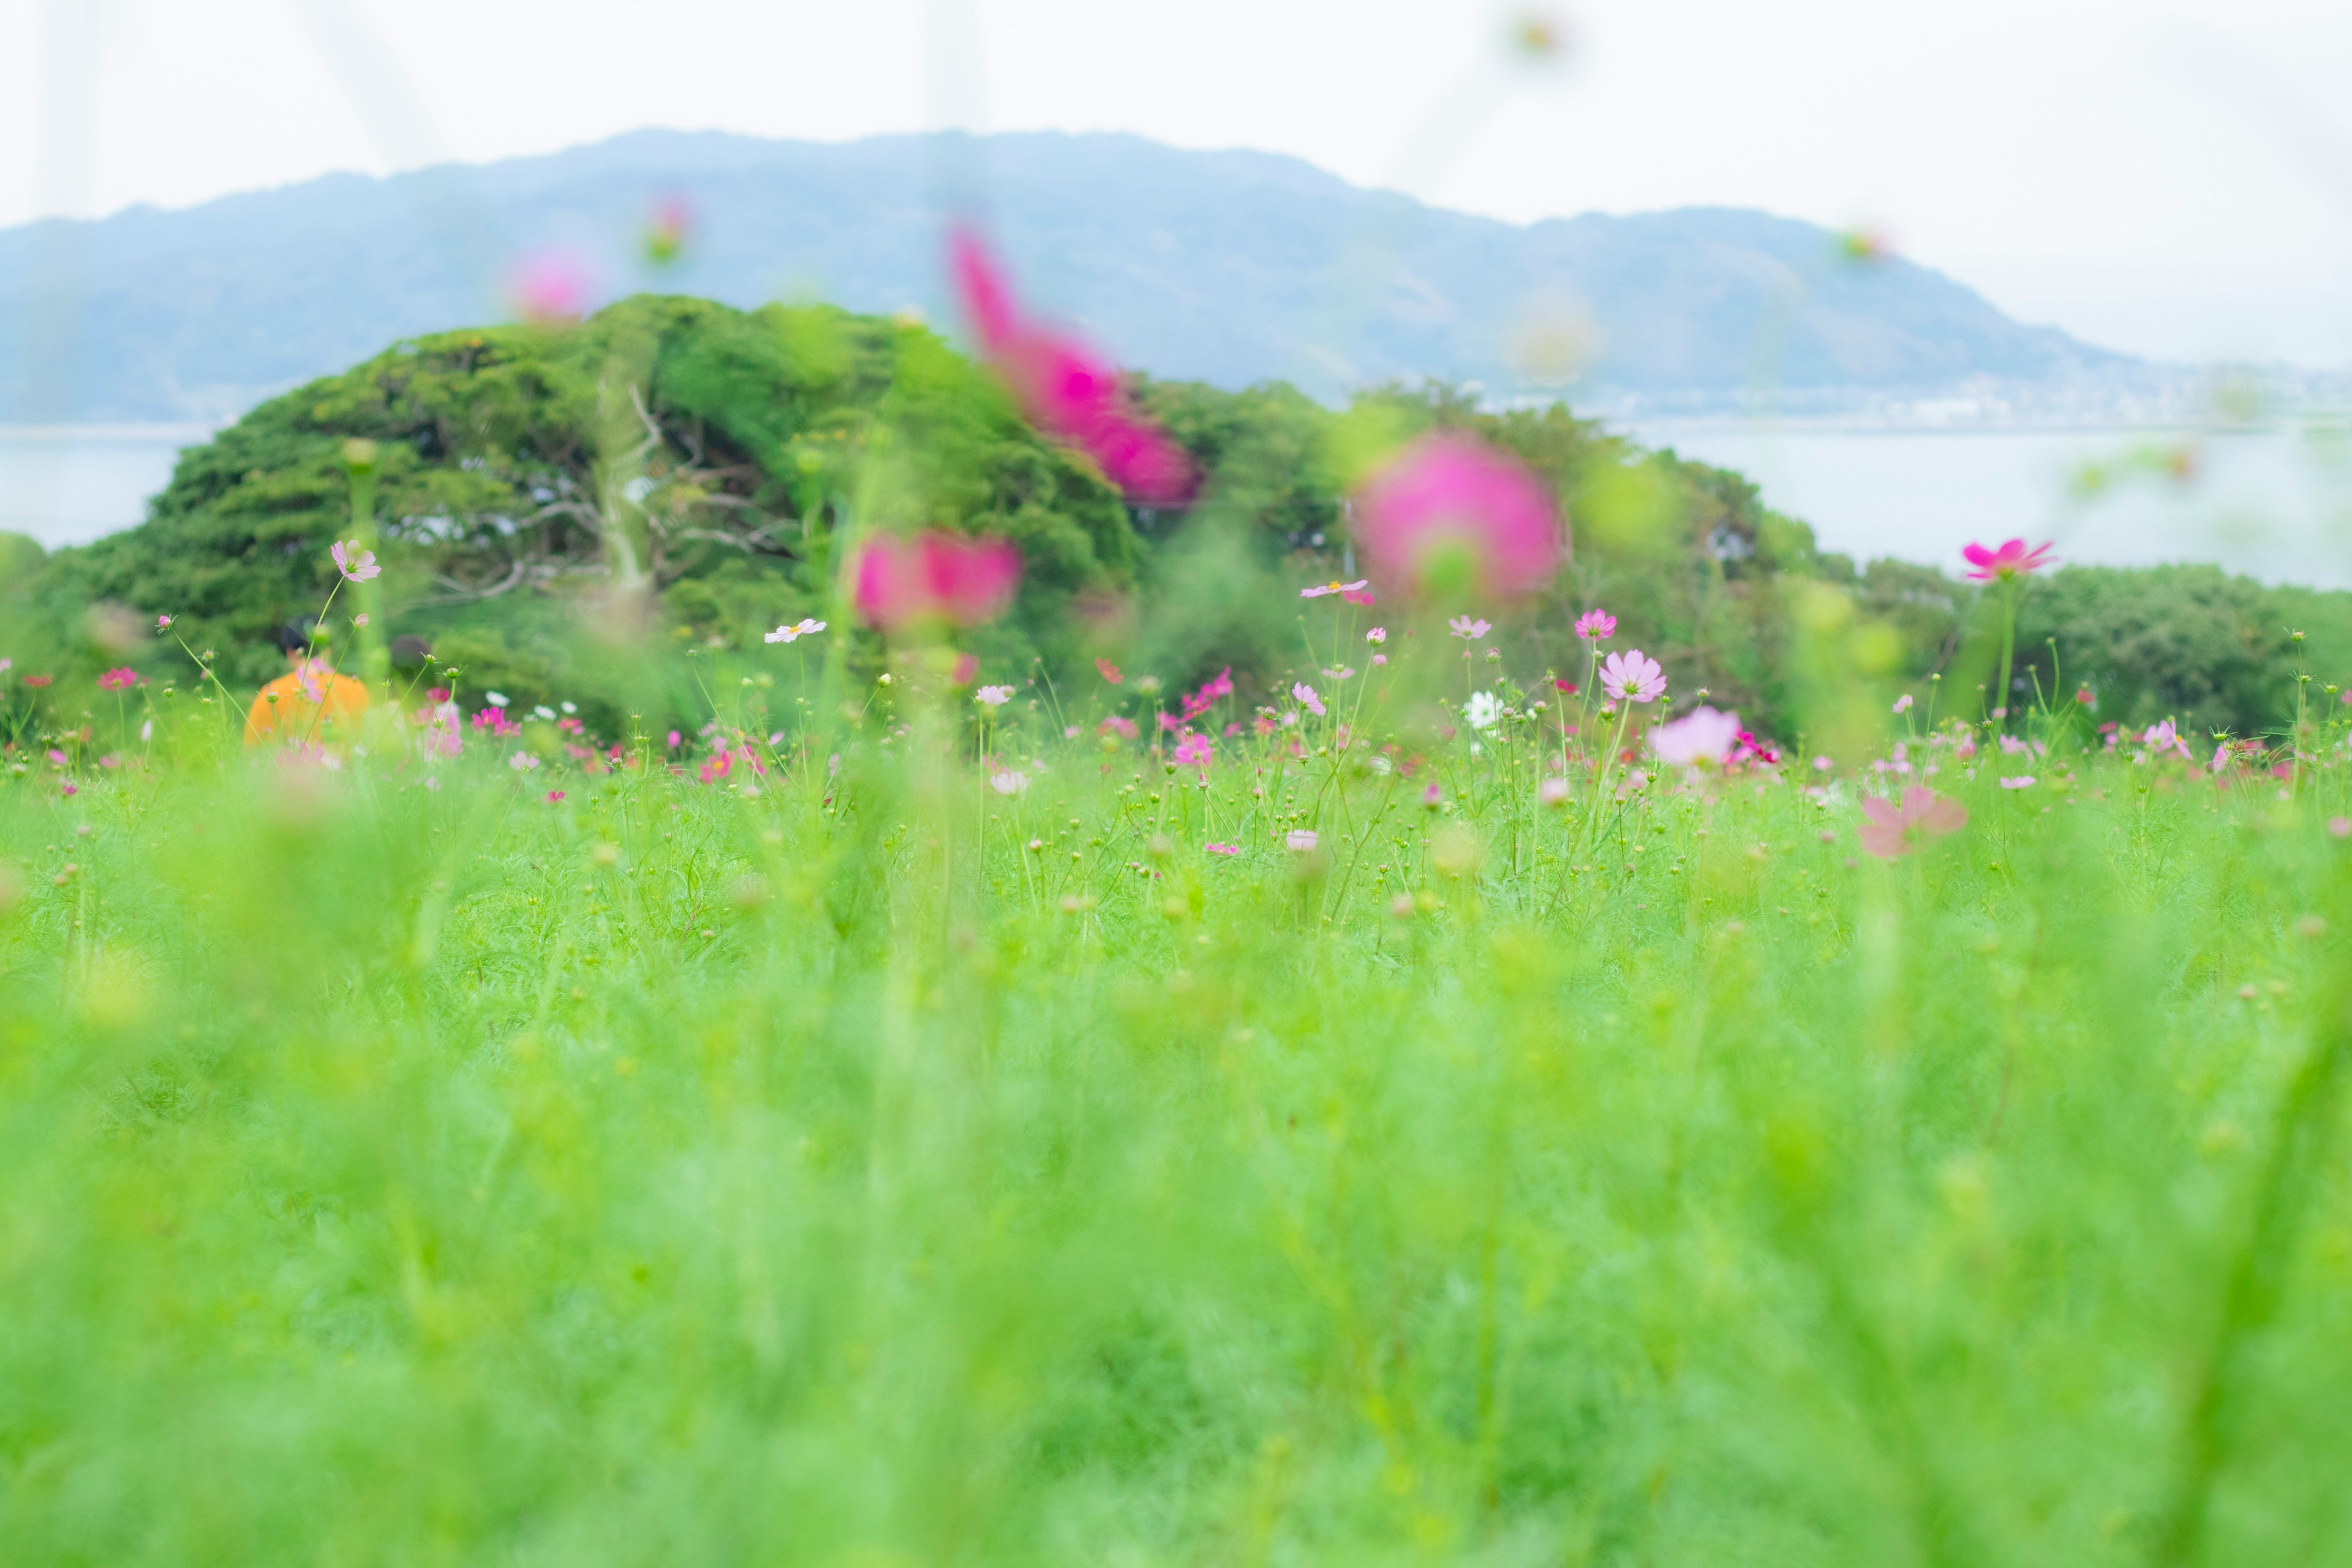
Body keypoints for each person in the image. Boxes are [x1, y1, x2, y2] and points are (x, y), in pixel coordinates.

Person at [243, 618, 370, 746]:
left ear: (290, 652)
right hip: (347, 766)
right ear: (328, 648)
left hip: (290, 765)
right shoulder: (356, 689)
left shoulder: (271, 693)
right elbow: (367, 745)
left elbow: (251, 753)